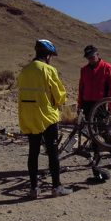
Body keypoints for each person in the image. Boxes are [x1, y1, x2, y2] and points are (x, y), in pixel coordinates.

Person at [18, 39, 72, 199]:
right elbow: (60, 97)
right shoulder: (48, 70)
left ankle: (33, 188)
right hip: (47, 117)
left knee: (33, 152)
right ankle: (56, 187)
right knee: (53, 152)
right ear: (48, 56)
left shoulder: (24, 70)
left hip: (28, 117)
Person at [77, 45, 111, 169]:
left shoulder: (107, 68)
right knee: (91, 131)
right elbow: (81, 88)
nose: (90, 60)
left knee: (103, 130)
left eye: (92, 57)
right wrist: (80, 105)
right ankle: (96, 155)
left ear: (98, 55)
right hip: (87, 103)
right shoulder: (84, 69)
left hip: (100, 104)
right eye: (88, 58)